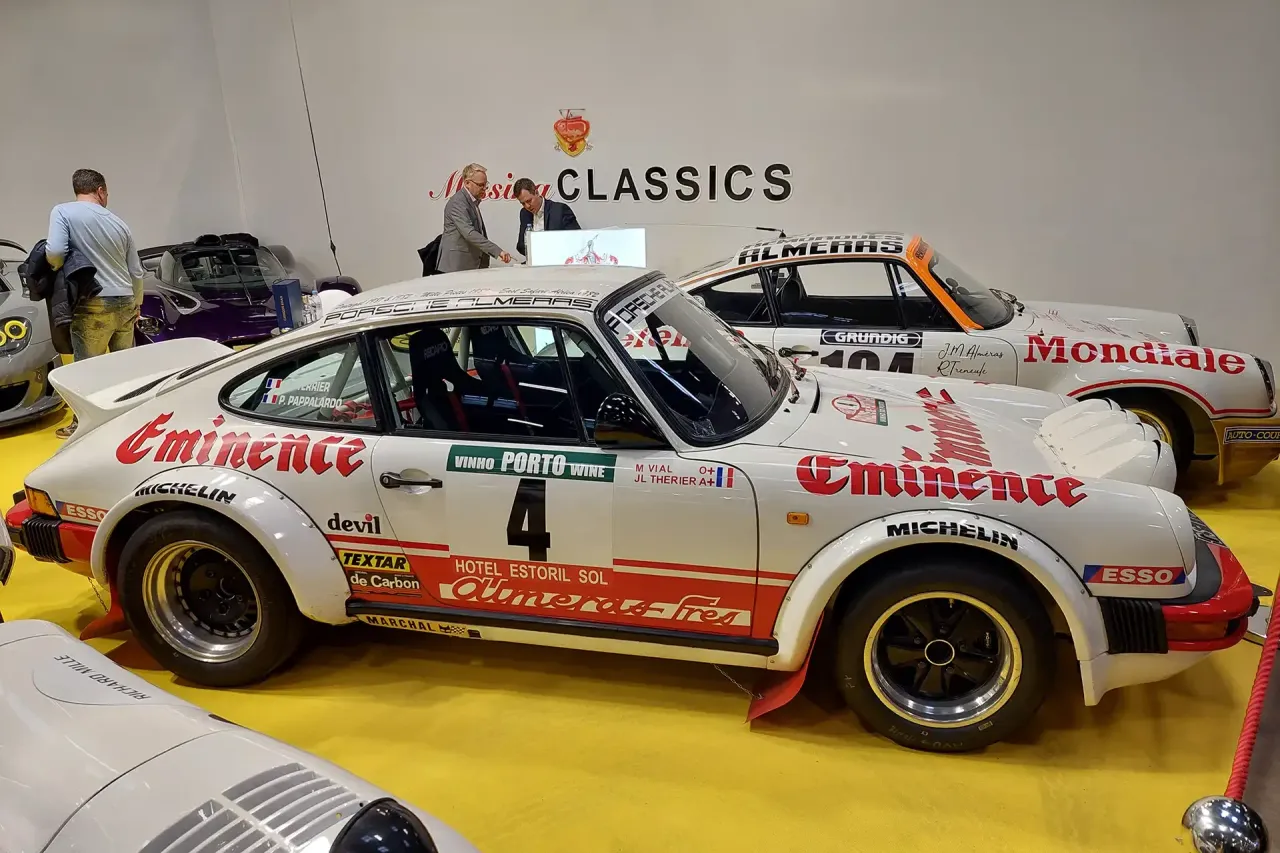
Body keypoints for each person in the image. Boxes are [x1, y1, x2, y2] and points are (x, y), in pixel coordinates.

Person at [45, 168, 144, 438]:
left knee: (88, 368)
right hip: (125, 300)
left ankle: (84, 425)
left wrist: (58, 265)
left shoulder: (63, 212)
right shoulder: (119, 223)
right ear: (100, 191)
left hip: (93, 303)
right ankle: (129, 421)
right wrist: (137, 303)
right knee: (126, 368)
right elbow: (136, 270)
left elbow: (55, 252)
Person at [437, 163, 512, 273]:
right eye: (480, 185)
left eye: (485, 185)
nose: (484, 189)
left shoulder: (472, 201)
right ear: (467, 183)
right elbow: (470, 233)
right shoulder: (458, 203)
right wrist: (497, 251)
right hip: (457, 266)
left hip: (469, 266)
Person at [512, 177, 580, 262]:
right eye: (523, 203)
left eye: (529, 201)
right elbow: (521, 245)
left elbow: (577, 240)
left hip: (558, 263)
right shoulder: (524, 213)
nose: (527, 206)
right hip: (535, 263)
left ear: (536, 193)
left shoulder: (560, 210)